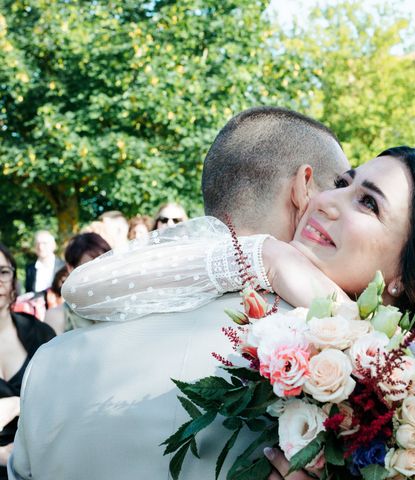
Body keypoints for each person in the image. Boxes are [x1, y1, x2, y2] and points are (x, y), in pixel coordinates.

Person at [35, 148, 415, 479]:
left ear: (406, 273)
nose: (327, 201)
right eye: (345, 183)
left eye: (368, 203)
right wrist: (267, 255)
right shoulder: (270, 293)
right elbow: (84, 289)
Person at [8, 106, 351, 480]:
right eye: (340, 187)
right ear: (303, 188)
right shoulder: (321, 363)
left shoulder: (49, 363)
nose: (344, 208)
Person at [0, 244, 55, 480]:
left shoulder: (41, 335)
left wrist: (17, 403)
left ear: (13, 279)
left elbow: (66, 398)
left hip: (40, 465)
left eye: (3, 271)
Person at [43, 233, 112, 334]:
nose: (98, 273)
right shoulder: (57, 317)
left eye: (102, 265)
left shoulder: (123, 307)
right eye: (89, 267)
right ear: (71, 268)